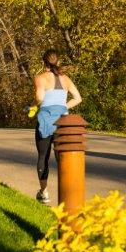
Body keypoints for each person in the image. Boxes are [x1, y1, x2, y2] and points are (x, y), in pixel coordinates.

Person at [33, 49, 82, 203]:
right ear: (58, 61)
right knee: (63, 157)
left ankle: (44, 193)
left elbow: (40, 99)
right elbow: (78, 98)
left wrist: (32, 106)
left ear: (44, 62)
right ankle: (68, 192)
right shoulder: (65, 79)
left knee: (43, 157)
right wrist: (63, 107)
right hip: (63, 122)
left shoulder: (40, 78)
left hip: (46, 120)